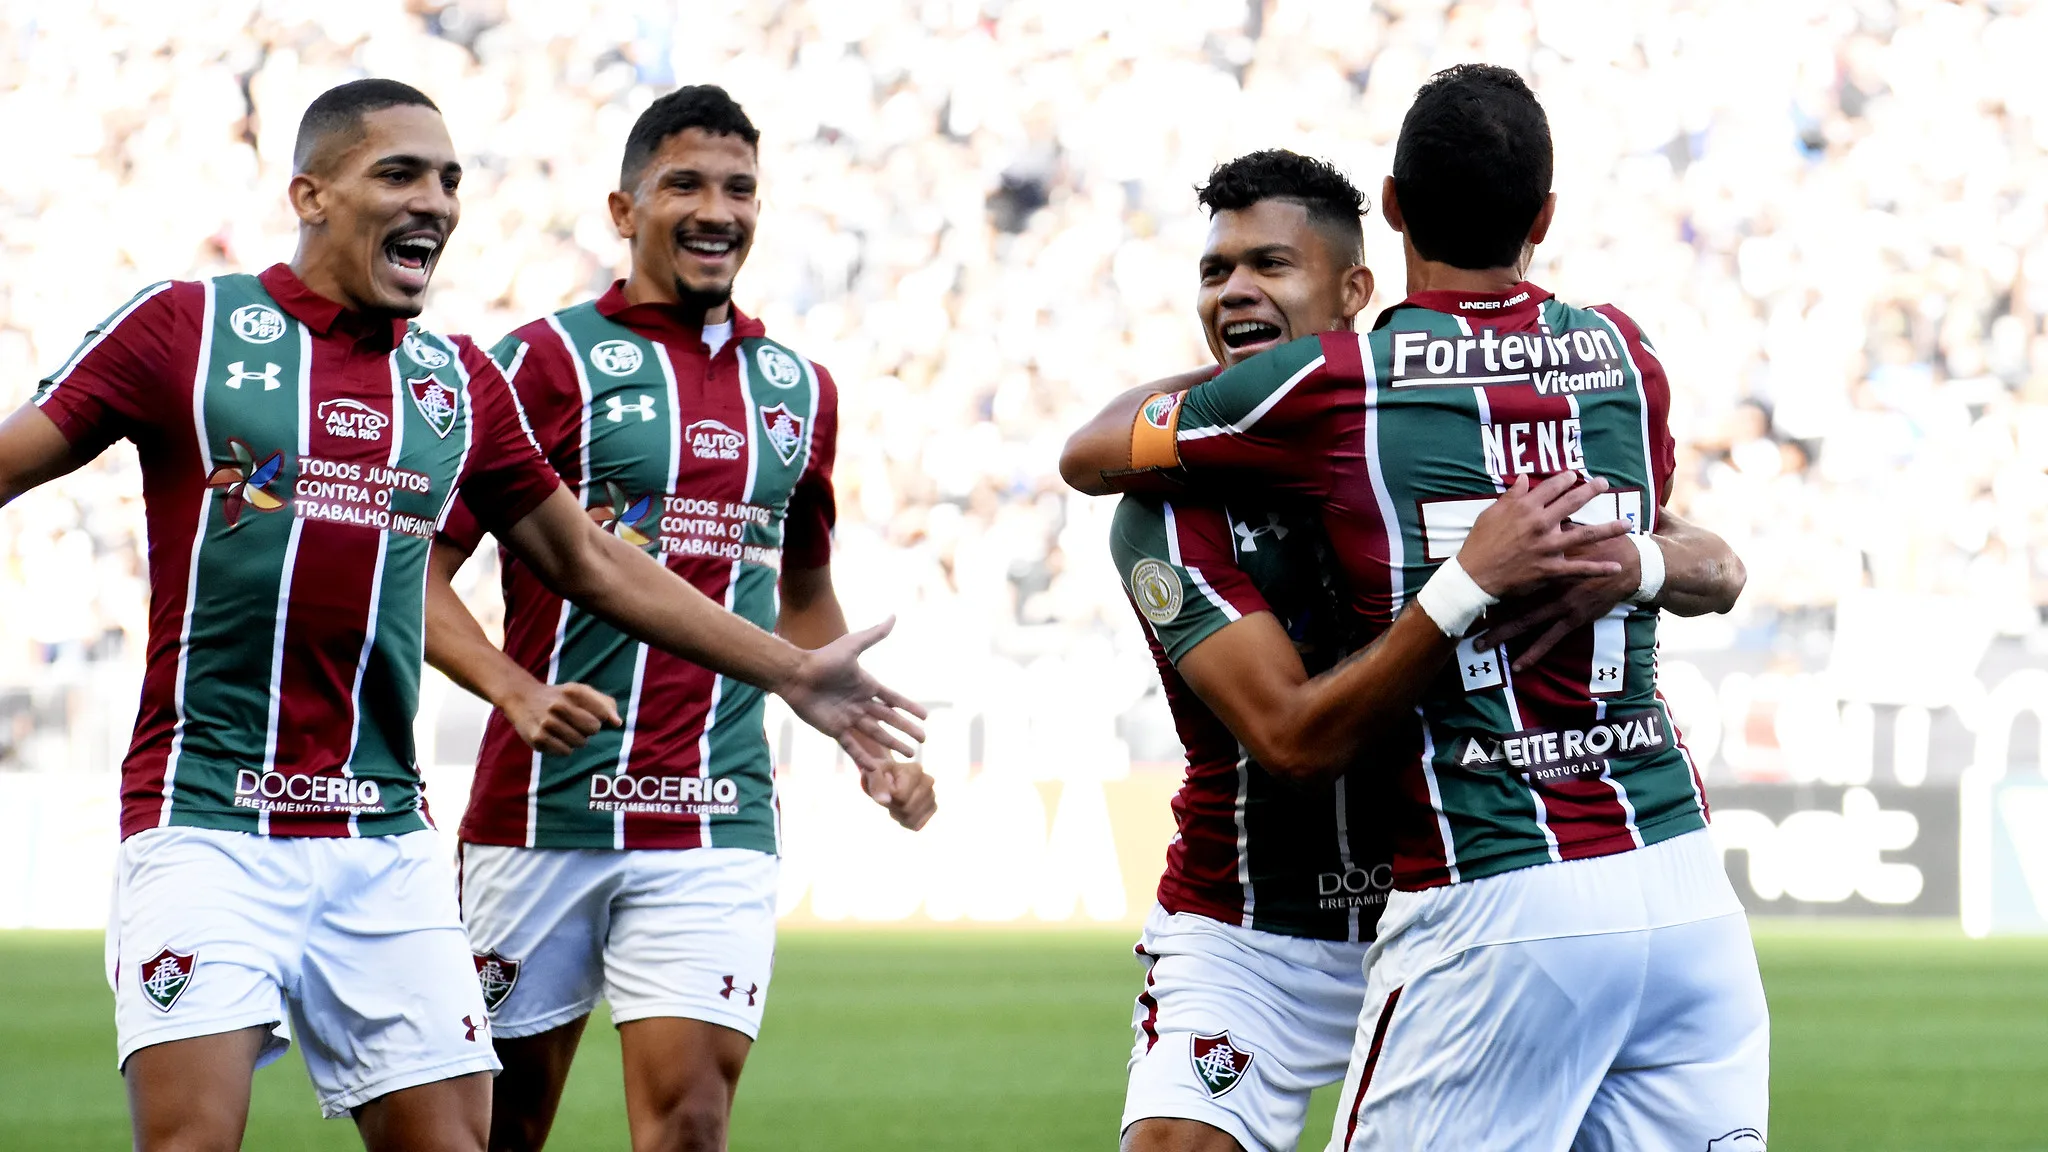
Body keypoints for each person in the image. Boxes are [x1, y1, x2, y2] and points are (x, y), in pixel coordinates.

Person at [0, 78, 922, 1152]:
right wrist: (513, 686)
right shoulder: (187, 329)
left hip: (382, 835)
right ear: (309, 192)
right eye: (399, 173)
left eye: (448, 179)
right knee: (194, 1141)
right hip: (208, 817)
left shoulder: (457, 380)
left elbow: (587, 559)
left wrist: (789, 668)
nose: (434, 199)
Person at [1063, 65, 1765, 1151]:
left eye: (1267, 265)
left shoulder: (1362, 387)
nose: (1233, 291)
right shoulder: (1173, 508)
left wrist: (1623, 564)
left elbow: (1697, 553)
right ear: (1541, 217)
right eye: (1214, 271)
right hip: (1258, 929)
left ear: (1364, 271)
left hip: (1468, 900)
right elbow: (1287, 737)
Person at [421, 84, 936, 1152]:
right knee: (495, 1130)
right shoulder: (539, 363)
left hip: (715, 810)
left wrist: (861, 736)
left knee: (691, 1124)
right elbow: (419, 572)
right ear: (623, 209)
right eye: (685, 185)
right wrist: (508, 688)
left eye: (740, 188)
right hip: (543, 812)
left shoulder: (801, 389)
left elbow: (801, 600)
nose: (717, 209)